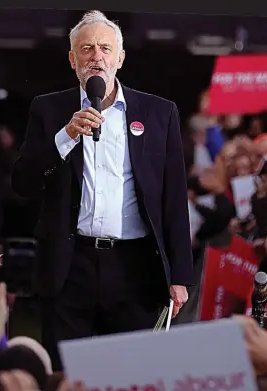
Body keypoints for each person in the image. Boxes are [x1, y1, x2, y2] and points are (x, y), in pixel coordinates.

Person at [11, 10, 193, 370]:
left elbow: (173, 199)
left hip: (134, 267)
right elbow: (23, 184)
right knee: (64, 378)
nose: (97, 56)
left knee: (129, 379)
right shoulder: (48, 110)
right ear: (72, 59)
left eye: (106, 48)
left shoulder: (159, 113)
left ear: (120, 59)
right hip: (69, 264)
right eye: (87, 48)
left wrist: (181, 277)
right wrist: (65, 137)